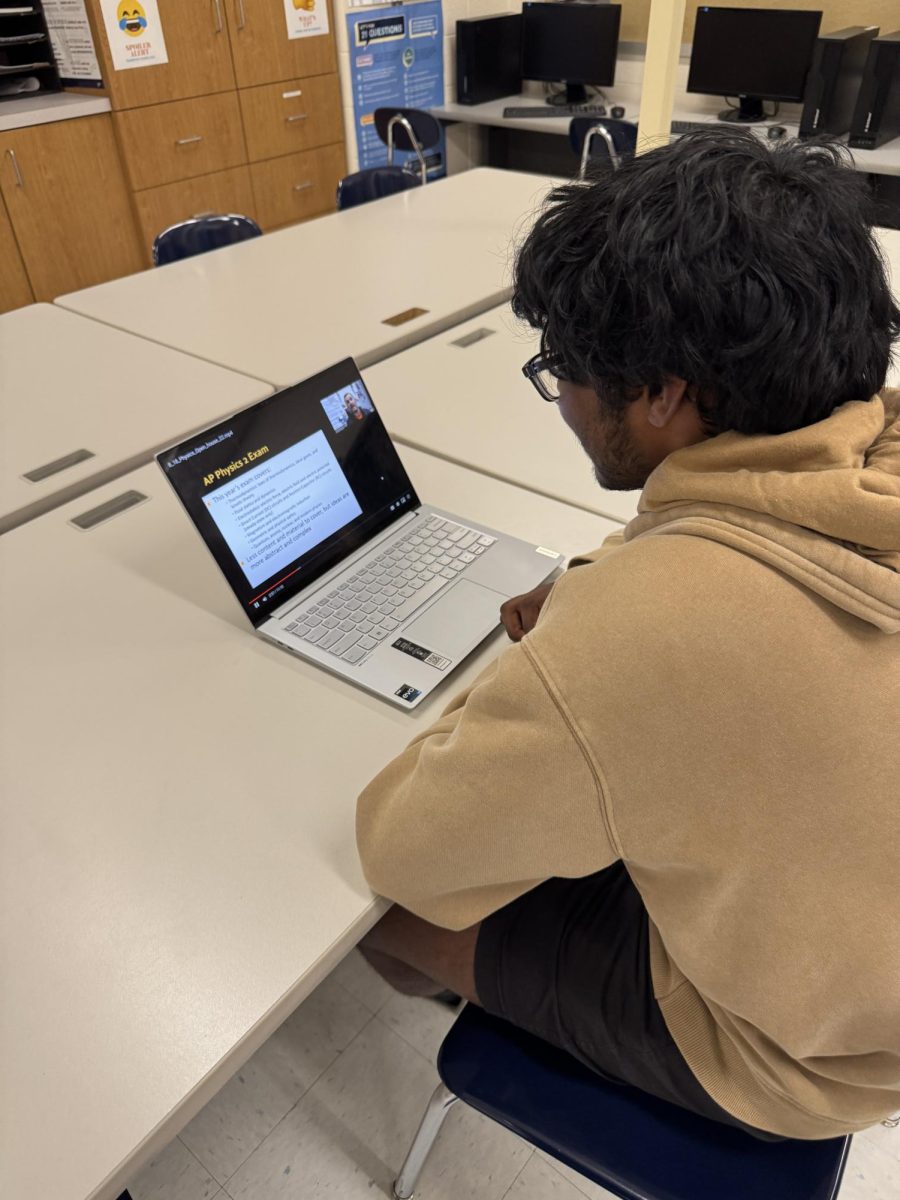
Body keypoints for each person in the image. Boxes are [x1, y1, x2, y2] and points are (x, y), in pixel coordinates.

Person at [355, 131, 900, 1140]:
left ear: (663, 395)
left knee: (390, 928)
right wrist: (608, 600)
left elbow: (403, 850)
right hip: (872, 976)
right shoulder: (875, 441)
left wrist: (568, 662)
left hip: (801, 1059)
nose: (560, 395)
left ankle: (540, 1035)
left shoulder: (642, 637)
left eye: (564, 366)